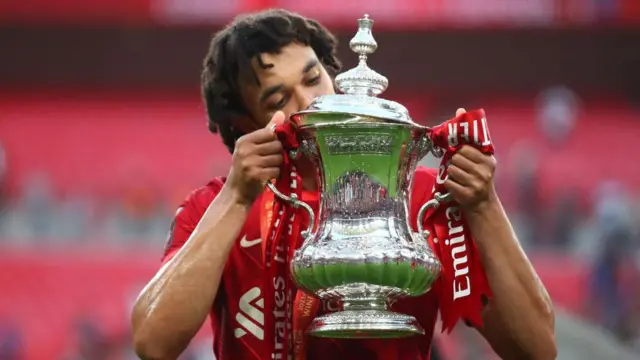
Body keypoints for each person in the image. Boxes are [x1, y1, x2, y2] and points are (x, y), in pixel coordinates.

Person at [131, 9, 556, 360]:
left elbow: (536, 349)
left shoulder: (423, 194)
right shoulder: (214, 208)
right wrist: (237, 197)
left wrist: (484, 206)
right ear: (245, 126)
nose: (310, 101)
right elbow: (153, 343)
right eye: (279, 100)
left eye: (313, 78)